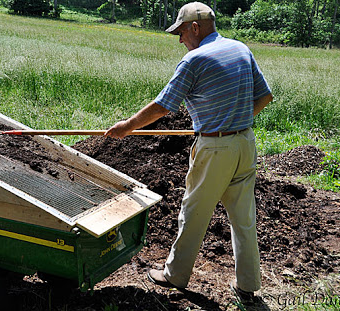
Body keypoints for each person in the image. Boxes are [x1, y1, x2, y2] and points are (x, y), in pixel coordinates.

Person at [104, 1, 273, 304]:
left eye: (181, 32)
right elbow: (265, 96)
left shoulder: (195, 60)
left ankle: (175, 275)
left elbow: (162, 106)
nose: (180, 40)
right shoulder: (240, 49)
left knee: (193, 213)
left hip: (215, 148)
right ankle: (248, 287)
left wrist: (127, 126)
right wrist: (236, 121)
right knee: (243, 218)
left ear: (194, 28)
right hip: (245, 143)